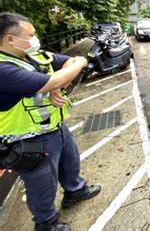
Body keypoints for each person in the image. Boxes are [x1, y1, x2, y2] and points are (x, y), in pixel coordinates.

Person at [0, 13, 101, 231]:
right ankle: (46, 223)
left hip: (55, 126)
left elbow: (67, 63)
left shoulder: (34, 57)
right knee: (42, 183)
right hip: (28, 139)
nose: (35, 39)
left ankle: (75, 191)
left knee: (70, 162)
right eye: (31, 35)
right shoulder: (3, 69)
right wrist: (62, 76)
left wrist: (54, 84)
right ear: (10, 40)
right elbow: (74, 64)